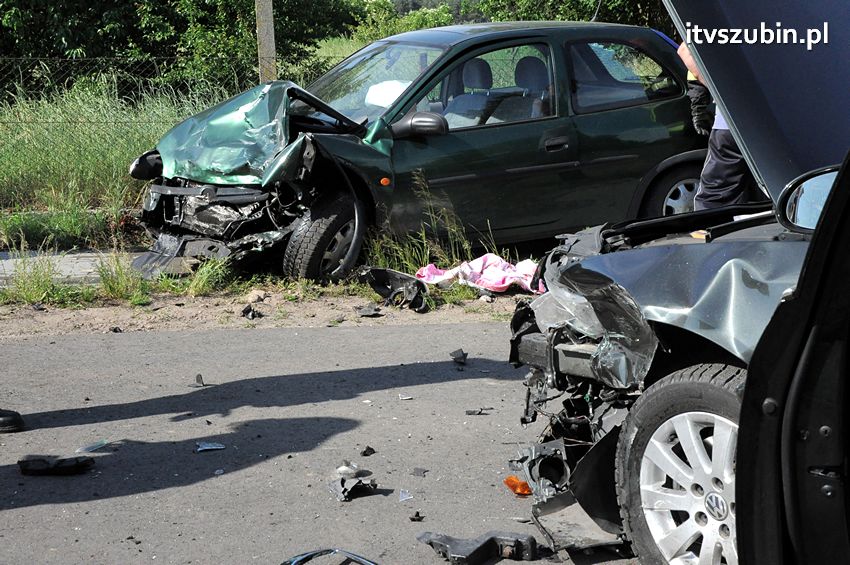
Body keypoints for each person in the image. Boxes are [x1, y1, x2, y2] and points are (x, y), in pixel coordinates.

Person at [678, 43, 755, 210]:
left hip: (733, 119)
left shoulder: (729, 19)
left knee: (717, 196)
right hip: (776, 117)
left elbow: (686, 51)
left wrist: (723, 92)